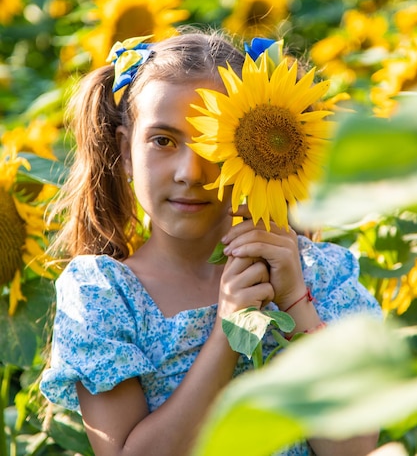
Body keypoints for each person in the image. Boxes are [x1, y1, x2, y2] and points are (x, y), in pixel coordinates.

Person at [40, 28, 381, 456]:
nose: (190, 172)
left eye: (212, 143)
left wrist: (295, 303)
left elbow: (353, 449)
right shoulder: (103, 295)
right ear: (126, 151)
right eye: (163, 141)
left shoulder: (321, 278)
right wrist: (228, 332)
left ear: (256, 147)